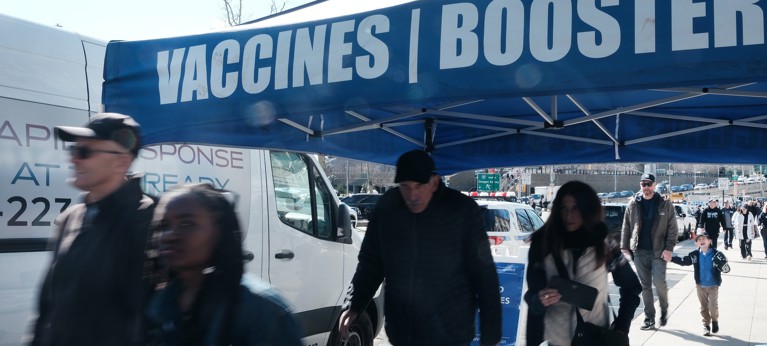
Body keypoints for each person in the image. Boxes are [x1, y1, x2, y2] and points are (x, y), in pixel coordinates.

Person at [338, 150, 502, 345]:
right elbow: (371, 264)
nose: (412, 195)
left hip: (451, 333)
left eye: (419, 186)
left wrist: (490, 335)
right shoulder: (388, 208)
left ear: (434, 182)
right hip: (403, 332)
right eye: (405, 187)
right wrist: (354, 304)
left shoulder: (462, 211)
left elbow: (484, 275)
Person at [30, 113, 156, 345]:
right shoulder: (71, 218)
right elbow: (46, 309)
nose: (74, 160)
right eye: (73, 151)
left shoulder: (149, 220)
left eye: (85, 152)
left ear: (121, 162)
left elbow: (156, 320)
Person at [146, 184, 302, 346]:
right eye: (165, 226)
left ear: (219, 233)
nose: (169, 236)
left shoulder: (259, 308)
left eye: (187, 224)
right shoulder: (163, 302)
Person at [524, 181, 642, 346]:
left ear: (588, 210)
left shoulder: (604, 243)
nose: (569, 215)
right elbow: (531, 296)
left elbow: (632, 287)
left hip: (595, 338)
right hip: (556, 339)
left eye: (576, 208)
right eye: (564, 208)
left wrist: (622, 326)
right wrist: (539, 299)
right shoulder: (542, 244)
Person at [620, 173, 678, 330]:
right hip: (640, 252)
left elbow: (672, 228)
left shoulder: (665, 204)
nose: (645, 187)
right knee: (645, 286)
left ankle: (664, 309)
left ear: (654, 185)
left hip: (659, 252)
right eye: (643, 184)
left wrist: (669, 249)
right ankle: (649, 317)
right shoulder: (633, 203)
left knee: (660, 283)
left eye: (648, 184)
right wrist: (624, 247)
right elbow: (626, 226)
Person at [670, 231, 730, 337]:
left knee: (713, 306)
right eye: (699, 240)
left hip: (713, 285)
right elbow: (684, 261)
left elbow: (725, 267)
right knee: (703, 307)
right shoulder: (695, 255)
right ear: (696, 243)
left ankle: (715, 320)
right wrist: (671, 258)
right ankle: (706, 325)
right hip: (700, 286)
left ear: (710, 241)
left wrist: (724, 264)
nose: (701, 241)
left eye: (704, 239)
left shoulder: (716, 254)